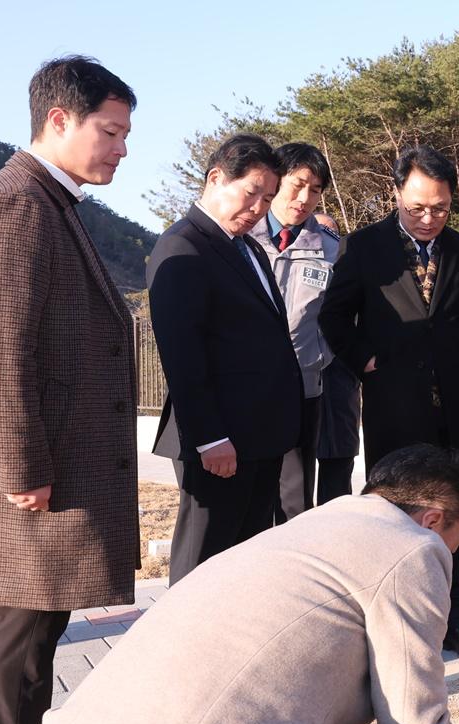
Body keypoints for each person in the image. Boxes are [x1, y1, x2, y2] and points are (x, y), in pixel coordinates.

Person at [0, 445, 459, 724]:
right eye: (453, 542)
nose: (446, 556)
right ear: (433, 520)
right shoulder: (411, 547)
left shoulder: (312, 528)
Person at [0, 55, 139, 724]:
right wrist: (23, 470)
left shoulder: (52, 202)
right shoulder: (17, 203)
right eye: (111, 132)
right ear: (58, 119)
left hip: (54, 476)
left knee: (34, 640)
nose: (121, 149)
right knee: (20, 646)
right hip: (38, 484)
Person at [320, 146, 459, 660]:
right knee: (396, 514)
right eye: (417, 207)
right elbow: (333, 316)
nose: (428, 218)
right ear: (397, 192)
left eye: (440, 208)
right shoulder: (364, 247)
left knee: (457, 512)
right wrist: (364, 359)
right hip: (393, 405)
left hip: (454, 408)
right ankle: (400, 623)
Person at [148, 134, 303, 585]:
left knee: (244, 562)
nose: (258, 208)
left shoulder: (248, 248)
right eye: (251, 192)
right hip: (220, 442)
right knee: (203, 563)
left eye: (267, 199)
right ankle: (184, 633)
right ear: (216, 178)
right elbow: (182, 353)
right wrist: (210, 437)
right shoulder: (182, 246)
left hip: (260, 436)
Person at [246, 143, 340, 523]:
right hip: (246, 388)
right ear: (276, 180)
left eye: (315, 190)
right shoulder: (241, 237)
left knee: (295, 501)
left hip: (303, 388)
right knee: (247, 499)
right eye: (297, 185)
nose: (304, 199)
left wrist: (318, 357)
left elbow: (338, 316)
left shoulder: (331, 250)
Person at [311, 213, 362, 504]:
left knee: (339, 471)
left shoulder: (349, 269)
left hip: (341, 381)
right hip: (303, 380)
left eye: (330, 233)